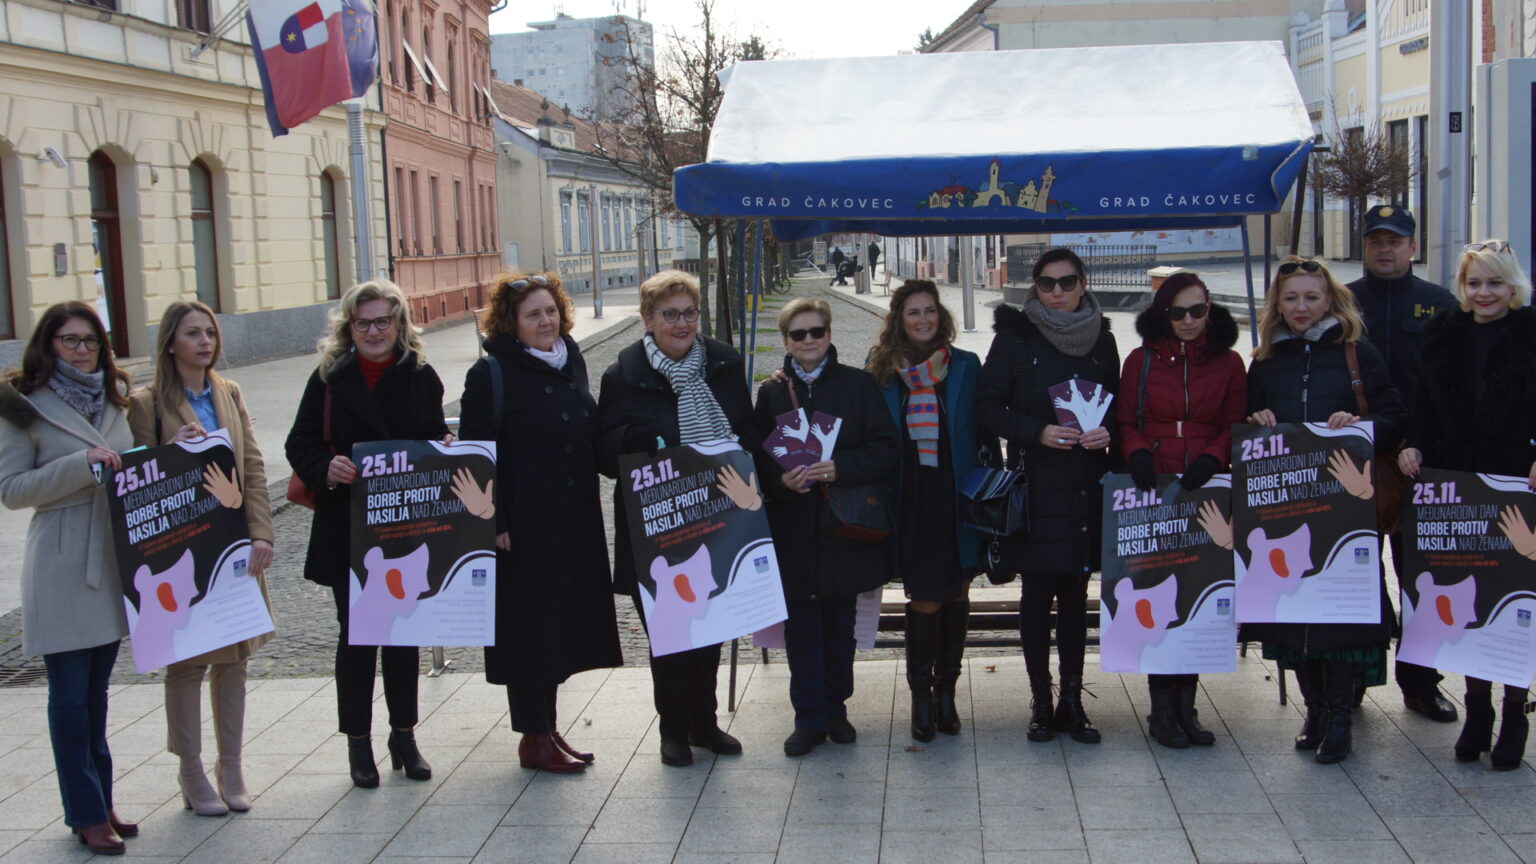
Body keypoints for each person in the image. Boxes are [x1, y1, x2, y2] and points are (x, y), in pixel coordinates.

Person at [285, 280, 449, 788]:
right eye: (363, 323)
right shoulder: (329, 378)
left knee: (403, 635)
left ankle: (405, 736)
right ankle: (358, 742)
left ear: (399, 324)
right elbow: (299, 442)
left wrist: (445, 445)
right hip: (348, 528)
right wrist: (326, 467)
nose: (374, 332)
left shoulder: (421, 375)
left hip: (405, 527)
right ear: (349, 328)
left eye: (382, 321)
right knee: (357, 638)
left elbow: (432, 435)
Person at [458, 272, 623, 773]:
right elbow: (476, 456)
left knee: (557, 627)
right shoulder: (491, 374)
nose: (546, 320)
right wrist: (494, 521)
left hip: (572, 519)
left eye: (551, 310)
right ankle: (532, 737)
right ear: (511, 323)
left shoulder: (570, 358)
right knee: (528, 630)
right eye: (533, 314)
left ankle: (546, 728)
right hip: (521, 526)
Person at [1244, 256, 1406, 764]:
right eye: (1291, 297)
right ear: (1277, 303)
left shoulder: (1357, 353)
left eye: (1311, 297)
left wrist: (1360, 426)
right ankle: (1313, 710)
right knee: (1293, 614)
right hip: (1285, 510)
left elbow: (1394, 417)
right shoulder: (1265, 359)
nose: (1301, 307)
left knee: (1337, 616)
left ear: (1330, 300)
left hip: (1344, 510)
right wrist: (1256, 419)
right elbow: (1244, 423)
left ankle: (1339, 718)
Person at [597, 270, 761, 767]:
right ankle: (672, 729)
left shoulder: (724, 365)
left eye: (689, 312)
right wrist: (632, 440)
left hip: (717, 515)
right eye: (669, 314)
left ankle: (703, 723)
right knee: (668, 631)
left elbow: (747, 431)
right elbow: (602, 454)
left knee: (711, 623)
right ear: (648, 320)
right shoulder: (623, 376)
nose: (682, 323)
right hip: (656, 525)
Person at [127, 302, 274, 815]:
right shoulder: (146, 403)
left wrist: (261, 532)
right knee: (187, 663)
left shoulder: (228, 392)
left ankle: (230, 765)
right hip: (178, 553)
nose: (205, 341)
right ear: (171, 342)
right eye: (192, 333)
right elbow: (135, 484)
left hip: (232, 546)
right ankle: (190, 770)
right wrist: (169, 449)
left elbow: (252, 466)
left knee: (235, 660)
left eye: (210, 332)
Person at [0, 302, 137, 854]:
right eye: (69, 340)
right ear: (48, 344)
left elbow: (133, 460)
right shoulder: (22, 404)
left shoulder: (115, 395)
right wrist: (79, 465)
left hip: (110, 556)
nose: (82, 351)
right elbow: (12, 490)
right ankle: (85, 812)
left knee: (97, 694)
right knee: (70, 696)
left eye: (90, 340)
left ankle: (101, 799)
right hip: (60, 560)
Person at [1398, 240, 1536, 769]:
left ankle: (1515, 711)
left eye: (1494, 282)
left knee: (1514, 599)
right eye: (1474, 283)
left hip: (1516, 482)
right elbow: (1424, 408)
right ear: (1461, 287)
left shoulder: (1531, 334)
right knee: (1469, 600)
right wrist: (1413, 445)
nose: (1484, 293)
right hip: (1457, 483)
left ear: (1512, 285)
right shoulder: (1443, 335)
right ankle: (1478, 707)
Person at [977, 249, 1120, 745]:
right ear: (1034, 287)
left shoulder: (1102, 338)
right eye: (1046, 282)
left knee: (1077, 596)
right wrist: (1037, 432)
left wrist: (1108, 430)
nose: (1058, 291)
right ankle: (1041, 700)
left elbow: (1119, 405)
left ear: (1083, 283)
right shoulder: (1015, 337)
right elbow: (987, 408)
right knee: (1037, 597)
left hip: (1085, 481)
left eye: (1067, 281)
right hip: (1035, 484)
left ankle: (1073, 702)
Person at [753, 298, 900, 756]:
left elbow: (886, 447)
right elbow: (757, 457)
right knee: (801, 630)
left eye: (816, 331)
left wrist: (841, 468)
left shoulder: (859, 385)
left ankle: (836, 710)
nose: (809, 340)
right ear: (786, 342)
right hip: (795, 530)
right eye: (798, 334)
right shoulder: (771, 393)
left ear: (829, 334)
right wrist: (780, 481)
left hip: (843, 529)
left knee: (839, 628)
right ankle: (809, 719)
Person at [1115, 273, 1245, 748]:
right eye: (1178, 312)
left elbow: (1235, 421)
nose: (1188, 321)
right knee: (1155, 593)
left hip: (1204, 487)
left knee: (1194, 593)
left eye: (1197, 310)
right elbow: (1125, 419)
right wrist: (1137, 452)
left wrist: (1214, 455)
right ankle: (1162, 707)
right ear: (1163, 314)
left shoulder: (1229, 362)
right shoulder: (1141, 360)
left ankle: (1187, 704)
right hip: (1157, 486)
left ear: (1209, 310)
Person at [1347, 205, 1460, 723]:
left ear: (1413, 247)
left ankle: (1421, 683)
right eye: (1376, 241)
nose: (1385, 250)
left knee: (1422, 575)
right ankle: (1358, 676)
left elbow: (1453, 386)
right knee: (1358, 572)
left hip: (1422, 460)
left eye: (1394, 241)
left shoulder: (1440, 304)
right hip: (1360, 458)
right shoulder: (1345, 300)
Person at [868, 280, 986, 742]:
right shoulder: (882, 371)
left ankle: (946, 694)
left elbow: (985, 425)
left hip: (958, 496)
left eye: (930, 310)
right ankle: (921, 696)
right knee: (925, 597)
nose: (923, 319)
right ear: (899, 320)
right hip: (911, 498)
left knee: (957, 592)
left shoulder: (965, 365)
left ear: (941, 316)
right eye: (913, 312)